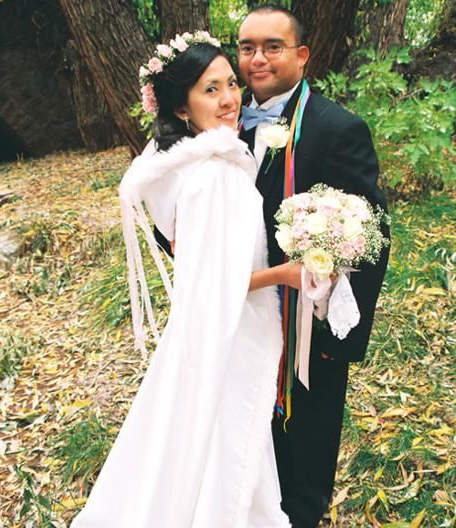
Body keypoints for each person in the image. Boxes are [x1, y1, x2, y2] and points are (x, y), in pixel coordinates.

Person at [71, 34, 301, 528]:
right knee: (228, 445)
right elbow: (218, 280)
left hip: (203, 328)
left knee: (207, 441)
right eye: (210, 90)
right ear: (180, 106)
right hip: (228, 331)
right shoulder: (212, 175)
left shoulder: (183, 166)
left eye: (230, 85)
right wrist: (288, 273)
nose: (229, 99)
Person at [238, 6, 390, 528]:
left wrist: (333, 335)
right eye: (246, 47)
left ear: (301, 55)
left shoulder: (336, 128)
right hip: (240, 313)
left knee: (305, 446)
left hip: (308, 326)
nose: (257, 58)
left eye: (272, 47)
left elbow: (371, 236)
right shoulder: (218, 122)